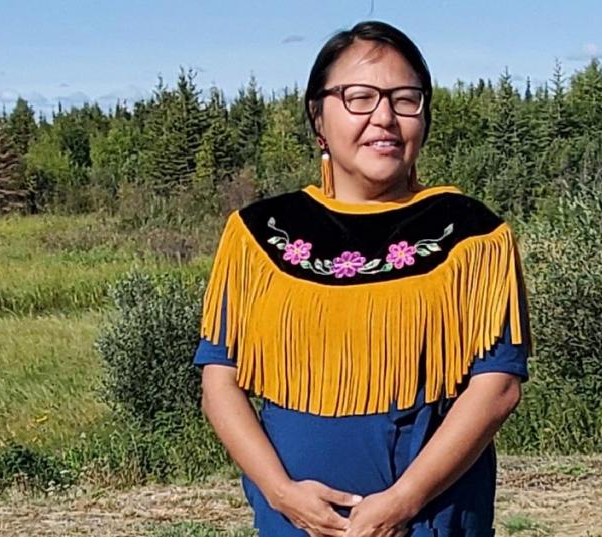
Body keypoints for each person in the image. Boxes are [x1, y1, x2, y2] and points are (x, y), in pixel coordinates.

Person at [194, 20, 532, 537]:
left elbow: (498, 386)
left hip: (428, 519)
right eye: (358, 97)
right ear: (318, 117)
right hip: (295, 521)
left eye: (405, 99)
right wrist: (283, 495)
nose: (384, 118)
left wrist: (402, 502)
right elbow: (220, 382)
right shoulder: (259, 236)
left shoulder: (470, 234)